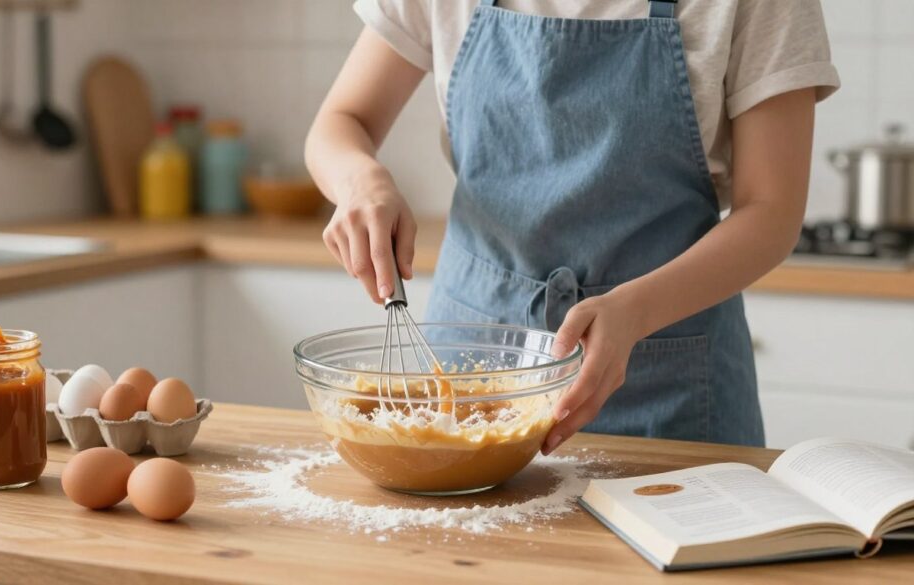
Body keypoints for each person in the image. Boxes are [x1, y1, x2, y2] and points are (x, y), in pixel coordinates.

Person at [304, 0, 840, 453]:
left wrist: (636, 311)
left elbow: (772, 212)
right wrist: (361, 182)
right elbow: (341, 122)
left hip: (671, 385)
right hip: (465, 381)